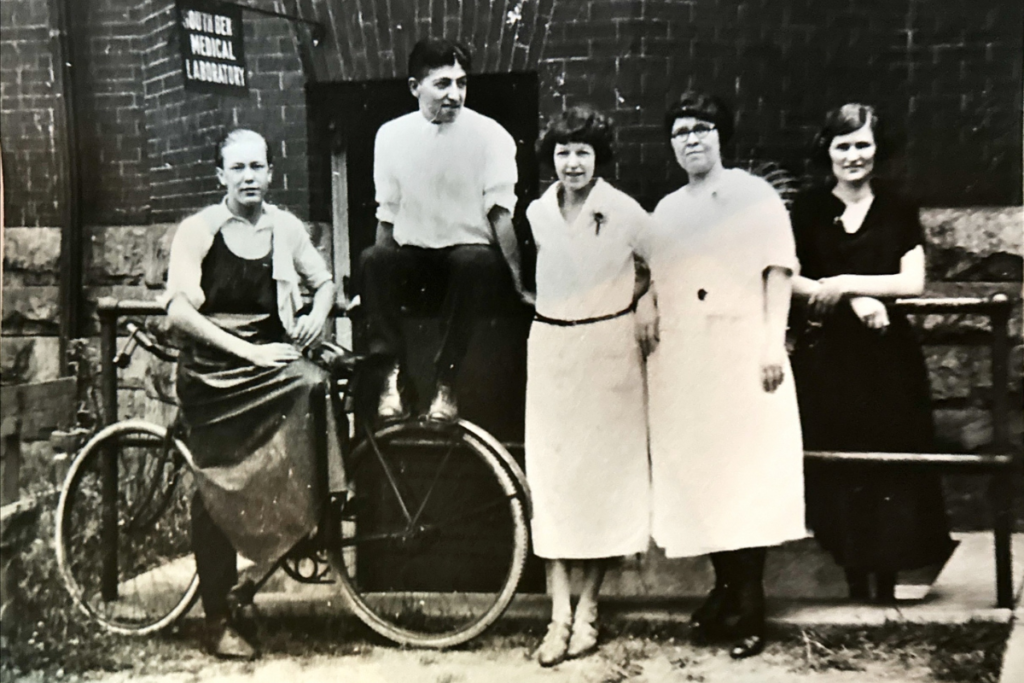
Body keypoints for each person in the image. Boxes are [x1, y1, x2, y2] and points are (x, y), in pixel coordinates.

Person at [163, 129, 338, 659]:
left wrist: (315, 313)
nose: (248, 178)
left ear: (270, 173)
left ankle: (274, 558)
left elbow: (325, 282)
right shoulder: (200, 230)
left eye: (257, 167)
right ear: (220, 177)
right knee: (214, 486)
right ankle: (217, 618)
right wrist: (250, 354)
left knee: (316, 386)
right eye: (237, 168)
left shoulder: (285, 228)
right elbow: (177, 310)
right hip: (215, 375)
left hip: (270, 363)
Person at [647, 92, 807, 659]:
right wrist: (647, 305)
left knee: (745, 473)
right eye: (680, 131)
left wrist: (770, 342)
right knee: (704, 473)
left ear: (721, 135)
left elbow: (778, 269)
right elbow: (656, 276)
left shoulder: (753, 196)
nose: (691, 139)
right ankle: (725, 588)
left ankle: (750, 603)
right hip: (687, 357)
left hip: (741, 349)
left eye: (702, 128)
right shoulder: (666, 210)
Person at [789, 104, 956, 603]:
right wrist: (850, 299)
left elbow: (913, 280)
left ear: (876, 149)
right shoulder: (809, 207)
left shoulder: (898, 206)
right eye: (843, 145)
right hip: (831, 357)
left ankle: (887, 581)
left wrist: (847, 285)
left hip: (888, 358)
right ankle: (852, 576)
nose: (853, 155)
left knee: (889, 459)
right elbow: (787, 275)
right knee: (840, 460)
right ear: (828, 151)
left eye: (862, 144)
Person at [523, 106, 658, 667]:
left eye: (582, 151)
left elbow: (664, 261)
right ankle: (557, 617)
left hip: (608, 352)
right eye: (562, 151)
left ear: (599, 157)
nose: (572, 162)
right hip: (553, 350)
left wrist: (647, 298)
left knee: (600, 478)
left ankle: (589, 612)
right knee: (555, 480)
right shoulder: (536, 212)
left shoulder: (625, 211)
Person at [360, 38, 525, 422]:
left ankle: (446, 383)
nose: (455, 94)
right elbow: (388, 215)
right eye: (442, 84)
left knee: (473, 260)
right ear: (414, 87)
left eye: (462, 83)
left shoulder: (490, 135)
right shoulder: (390, 136)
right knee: (372, 259)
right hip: (416, 265)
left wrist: (518, 281)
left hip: (468, 267)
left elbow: (501, 214)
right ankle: (393, 378)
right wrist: (370, 286)